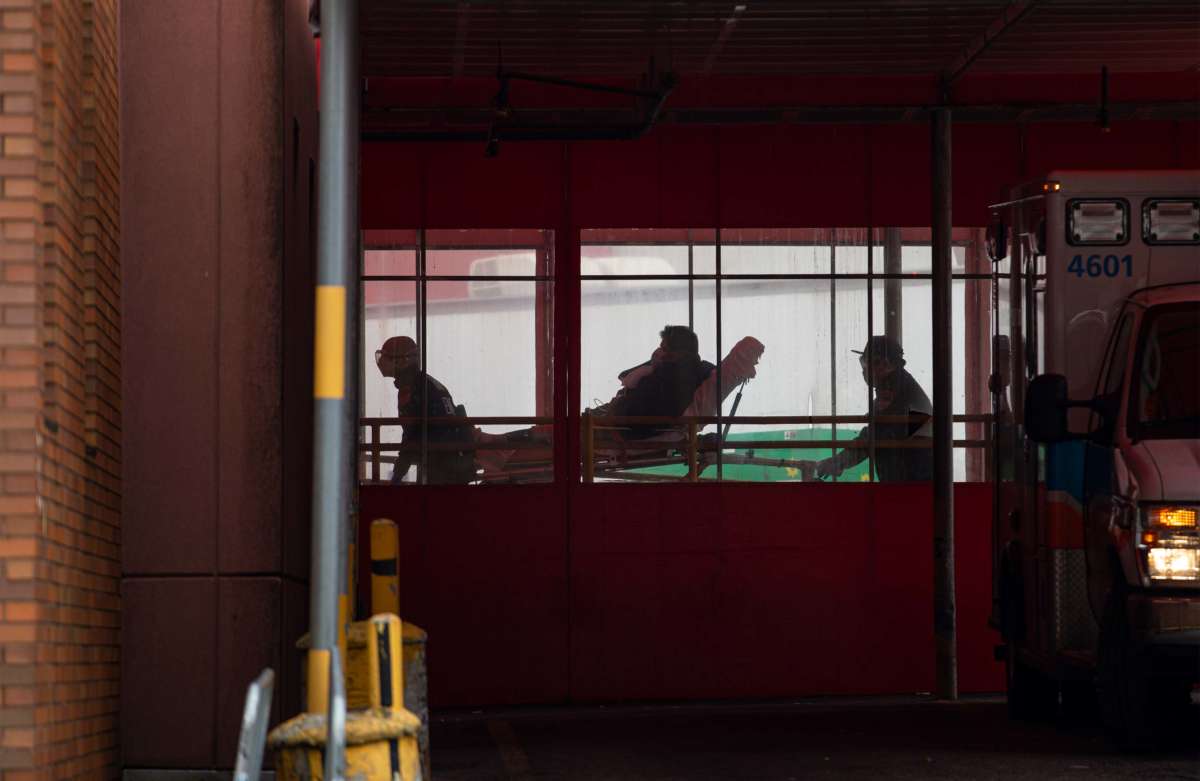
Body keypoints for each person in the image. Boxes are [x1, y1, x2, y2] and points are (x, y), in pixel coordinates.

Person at [816, 335, 933, 482]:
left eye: (867, 363)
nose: (864, 370)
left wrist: (838, 462)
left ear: (883, 364)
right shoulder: (902, 384)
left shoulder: (890, 388)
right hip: (919, 474)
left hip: (909, 479)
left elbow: (874, 435)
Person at [375, 336, 475, 484]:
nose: (382, 362)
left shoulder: (413, 389)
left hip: (443, 463)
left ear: (402, 361)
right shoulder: (424, 383)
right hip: (451, 459)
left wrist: (398, 474)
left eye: (387, 358)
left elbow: (412, 433)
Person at [595, 325, 716, 439]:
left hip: (624, 429)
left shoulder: (672, 377)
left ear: (679, 353)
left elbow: (642, 409)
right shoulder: (684, 370)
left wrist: (616, 406)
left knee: (578, 429)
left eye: (664, 349)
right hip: (623, 421)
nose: (660, 352)